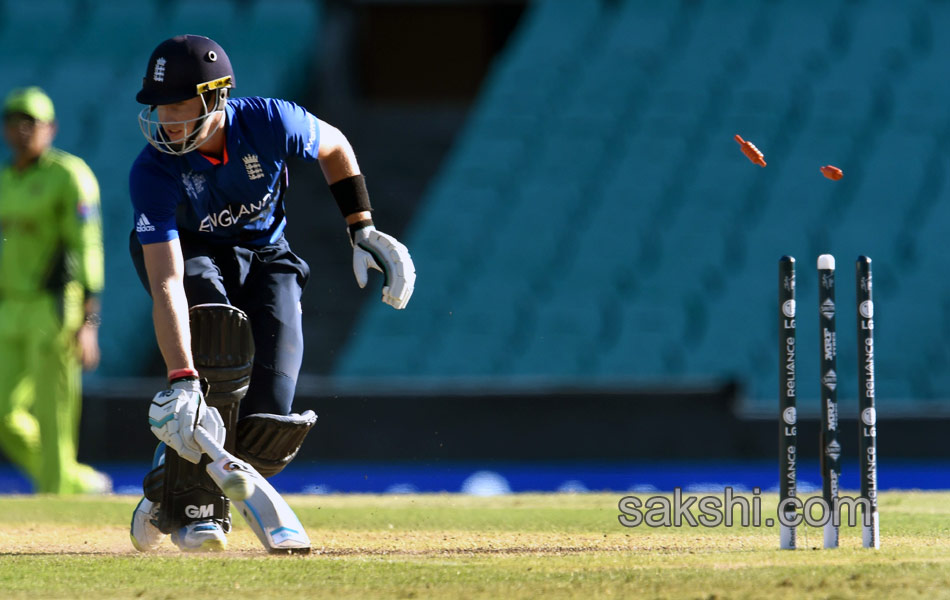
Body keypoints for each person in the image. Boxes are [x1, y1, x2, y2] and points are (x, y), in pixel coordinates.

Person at [127, 35, 415, 552]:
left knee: (270, 424)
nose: (166, 118)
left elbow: (334, 146)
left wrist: (362, 228)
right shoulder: (153, 170)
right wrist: (182, 379)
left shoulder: (269, 121)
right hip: (193, 253)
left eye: (179, 104)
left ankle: (162, 487)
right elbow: (168, 279)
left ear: (216, 96)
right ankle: (199, 514)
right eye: (159, 105)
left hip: (267, 254)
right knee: (216, 343)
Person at [0, 87, 109, 494]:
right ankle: (75, 481)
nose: (21, 131)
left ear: (51, 128)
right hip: (10, 306)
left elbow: (88, 246)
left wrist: (90, 320)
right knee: (3, 413)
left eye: (30, 122)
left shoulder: (69, 176)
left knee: (53, 415)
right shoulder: (6, 179)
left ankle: (57, 496)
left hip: (53, 306)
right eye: (13, 123)